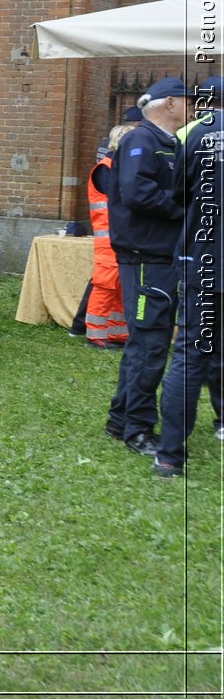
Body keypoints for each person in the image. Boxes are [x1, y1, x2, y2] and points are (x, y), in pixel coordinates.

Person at [104, 76, 192, 457]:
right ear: (168, 103)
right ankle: (138, 429)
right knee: (151, 344)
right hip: (146, 257)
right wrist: (184, 212)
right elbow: (138, 193)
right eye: (187, 100)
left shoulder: (167, 143)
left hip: (157, 255)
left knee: (147, 342)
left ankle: (121, 418)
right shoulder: (142, 140)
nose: (193, 106)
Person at [155, 76, 224, 476]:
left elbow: (179, 192)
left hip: (205, 258)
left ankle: (169, 456)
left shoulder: (193, 135)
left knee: (190, 355)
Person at [83, 122, 135, 348]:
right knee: (105, 287)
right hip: (108, 239)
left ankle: (117, 334)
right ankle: (95, 335)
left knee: (121, 287)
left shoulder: (119, 167)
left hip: (121, 237)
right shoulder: (106, 168)